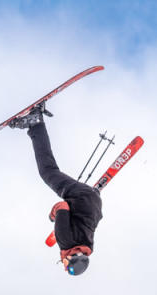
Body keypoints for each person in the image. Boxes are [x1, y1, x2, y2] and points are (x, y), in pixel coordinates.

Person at [9, 104, 102, 276]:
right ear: (72, 257)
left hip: (94, 202)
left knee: (53, 175)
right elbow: (62, 207)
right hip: (78, 196)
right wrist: (53, 216)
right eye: (66, 263)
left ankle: (36, 123)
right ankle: (36, 123)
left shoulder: (88, 247)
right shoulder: (66, 242)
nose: (63, 263)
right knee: (48, 171)